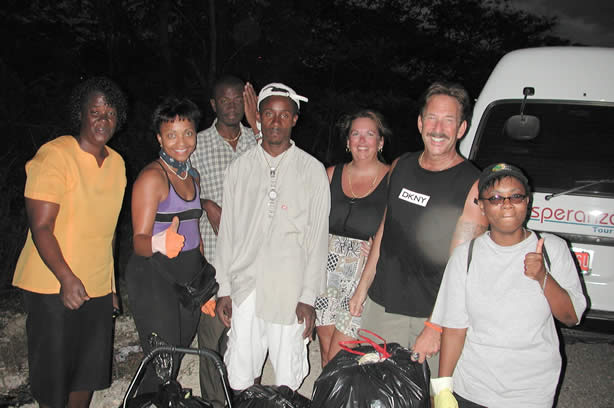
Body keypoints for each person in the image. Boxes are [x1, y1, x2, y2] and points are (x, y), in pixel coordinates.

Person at [349, 81, 489, 378]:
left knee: (424, 394)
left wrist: (436, 326)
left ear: (461, 128)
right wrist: (362, 287)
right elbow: (386, 228)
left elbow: (462, 267)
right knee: (375, 389)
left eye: (448, 121)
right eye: (432, 119)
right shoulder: (400, 166)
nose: (438, 129)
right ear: (420, 122)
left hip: (429, 314)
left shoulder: (473, 185)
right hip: (382, 305)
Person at [430, 163, 586, 408]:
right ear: (481, 206)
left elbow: (571, 317)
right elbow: (455, 328)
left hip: (530, 391)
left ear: (527, 201)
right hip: (472, 387)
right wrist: (442, 388)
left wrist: (543, 277)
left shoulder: (552, 249)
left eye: (515, 196)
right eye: (494, 198)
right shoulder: (465, 256)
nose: (506, 204)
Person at [13, 77, 127, 408]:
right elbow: (42, 227)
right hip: (51, 285)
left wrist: (110, 287)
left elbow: (108, 232)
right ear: (80, 114)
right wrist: (66, 278)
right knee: (55, 379)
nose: (103, 120)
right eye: (95, 112)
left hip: (96, 286)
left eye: (110, 112)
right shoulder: (55, 155)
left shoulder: (118, 164)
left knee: (87, 374)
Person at [214, 83, 330, 391]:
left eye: (283, 115)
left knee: (286, 377)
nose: (276, 122)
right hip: (246, 285)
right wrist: (224, 287)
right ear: (259, 118)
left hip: (289, 289)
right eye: (269, 114)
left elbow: (317, 239)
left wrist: (307, 296)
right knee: (241, 371)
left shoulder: (312, 170)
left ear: (294, 119)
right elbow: (228, 233)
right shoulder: (240, 168)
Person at [125, 97, 207, 394]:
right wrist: (160, 241)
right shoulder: (152, 178)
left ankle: (160, 398)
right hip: (153, 275)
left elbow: (195, 234)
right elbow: (138, 243)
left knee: (180, 348)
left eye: (188, 133)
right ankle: (142, 400)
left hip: (187, 277)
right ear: (159, 138)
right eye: (171, 135)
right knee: (162, 360)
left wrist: (204, 286)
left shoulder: (192, 176)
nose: (181, 142)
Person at [190, 75, 260, 407]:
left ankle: (248, 398)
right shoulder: (196, 144)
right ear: (214, 105)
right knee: (211, 338)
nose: (231, 106)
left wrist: (257, 123)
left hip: (254, 260)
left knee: (249, 338)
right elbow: (179, 193)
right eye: (225, 100)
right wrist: (204, 203)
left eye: (238, 100)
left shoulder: (258, 142)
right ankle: (216, 402)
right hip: (214, 258)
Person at [314, 109, 390, 367]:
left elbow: (402, 226)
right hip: (326, 273)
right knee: (326, 353)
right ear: (347, 142)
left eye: (370, 134)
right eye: (355, 134)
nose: (362, 140)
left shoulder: (393, 179)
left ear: (380, 142)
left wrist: (385, 247)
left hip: (362, 276)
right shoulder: (330, 174)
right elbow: (310, 222)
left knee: (341, 356)